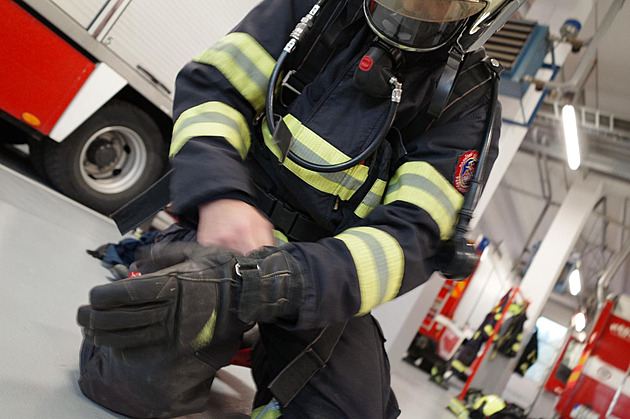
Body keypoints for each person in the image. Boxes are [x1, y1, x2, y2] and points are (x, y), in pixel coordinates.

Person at [77, 0, 520, 417]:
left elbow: (411, 239)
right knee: (130, 382)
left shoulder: (468, 102)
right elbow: (215, 89)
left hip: (317, 289)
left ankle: (258, 337)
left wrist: (283, 283)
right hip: (218, 245)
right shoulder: (315, 9)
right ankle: (211, 313)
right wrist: (220, 197)